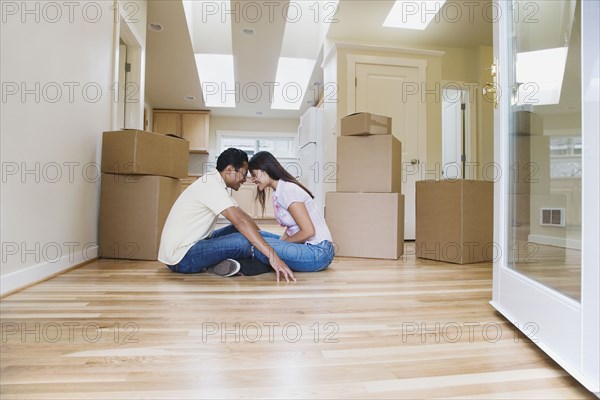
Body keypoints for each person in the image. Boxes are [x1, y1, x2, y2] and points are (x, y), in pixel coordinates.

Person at [158, 148, 296, 282]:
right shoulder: (211, 186)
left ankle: (276, 248)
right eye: (243, 173)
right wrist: (274, 257)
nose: (245, 179)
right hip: (182, 258)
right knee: (244, 241)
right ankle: (262, 261)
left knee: (244, 233)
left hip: (192, 246)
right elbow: (240, 222)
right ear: (229, 170)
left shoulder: (214, 182)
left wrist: (276, 242)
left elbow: (245, 219)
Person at [248, 151, 335, 272]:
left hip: (319, 252)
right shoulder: (279, 191)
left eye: (254, 174)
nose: (253, 179)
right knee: (257, 236)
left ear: (265, 169)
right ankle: (248, 266)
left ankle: (243, 267)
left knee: (256, 243)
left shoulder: (288, 190)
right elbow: (291, 229)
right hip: (308, 248)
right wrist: (280, 245)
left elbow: (309, 231)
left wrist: (282, 245)